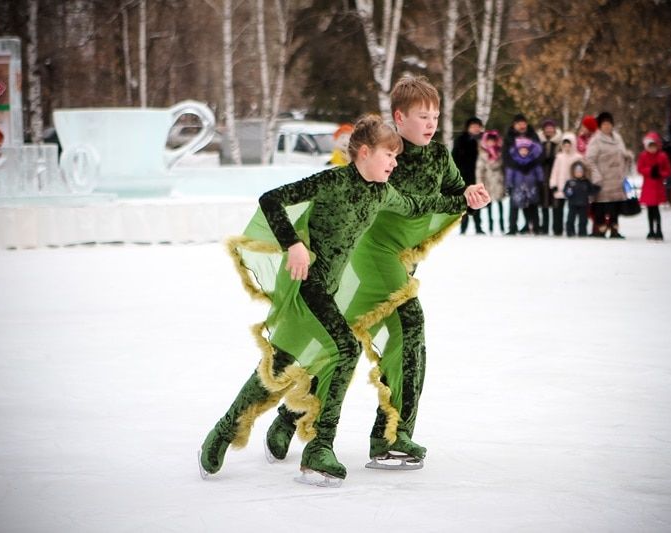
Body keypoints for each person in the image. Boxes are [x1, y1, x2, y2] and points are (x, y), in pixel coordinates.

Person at [198, 114, 489, 485]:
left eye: (397, 158)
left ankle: (226, 429)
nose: (395, 163)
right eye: (389, 156)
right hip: (306, 286)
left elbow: (419, 205)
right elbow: (271, 200)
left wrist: (463, 197)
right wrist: (295, 245)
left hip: (329, 292)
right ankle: (319, 447)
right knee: (345, 349)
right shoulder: (331, 181)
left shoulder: (382, 192)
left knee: (283, 364)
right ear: (364, 152)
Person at [264, 75, 489, 472]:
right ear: (399, 118)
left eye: (436, 115)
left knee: (341, 341)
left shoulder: (439, 156)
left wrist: (471, 197)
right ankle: (390, 438)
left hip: (401, 260)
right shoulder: (385, 154)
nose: (432, 122)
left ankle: (289, 416)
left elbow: (453, 194)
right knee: (411, 323)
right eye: (423, 115)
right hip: (370, 253)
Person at [585, 111, 632, 238]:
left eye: (609, 124)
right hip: (603, 179)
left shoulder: (617, 138)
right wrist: (596, 175)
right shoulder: (596, 140)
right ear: (600, 126)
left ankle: (614, 229)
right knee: (601, 205)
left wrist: (627, 157)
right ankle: (600, 229)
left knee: (615, 206)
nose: (607, 126)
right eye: (604, 124)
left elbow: (622, 154)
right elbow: (589, 159)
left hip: (617, 179)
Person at [503, 113, 541, 234]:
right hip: (516, 174)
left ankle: (533, 226)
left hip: (530, 174)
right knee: (514, 204)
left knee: (531, 204)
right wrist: (517, 166)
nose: (522, 125)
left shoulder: (532, 135)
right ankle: (512, 228)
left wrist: (530, 165)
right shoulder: (509, 136)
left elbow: (539, 153)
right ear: (514, 125)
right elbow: (506, 156)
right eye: (519, 123)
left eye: (524, 122)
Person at [637, 132, 671, 240]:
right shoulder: (643, 156)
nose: (652, 149)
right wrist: (650, 171)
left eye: (654, 146)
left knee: (656, 210)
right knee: (650, 210)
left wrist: (660, 174)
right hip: (648, 187)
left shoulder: (662, 156)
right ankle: (651, 230)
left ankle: (659, 230)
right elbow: (640, 168)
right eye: (650, 146)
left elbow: (668, 170)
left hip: (657, 187)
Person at [453, 116, 484, 234]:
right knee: (465, 202)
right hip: (465, 176)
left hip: (480, 176)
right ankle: (463, 227)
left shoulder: (484, 140)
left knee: (478, 201)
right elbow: (455, 158)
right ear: (468, 128)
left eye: (478, 126)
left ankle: (478, 227)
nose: (476, 129)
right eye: (473, 126)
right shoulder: (461, 140)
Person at [549, 132, 582, 236]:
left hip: (574, 188)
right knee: (558, 210)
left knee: (572, 211)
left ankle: (570, 229)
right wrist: (553, 184)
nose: (567, 147)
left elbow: (582, 172)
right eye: (565, 145)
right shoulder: (559, 157)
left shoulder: (578, 157)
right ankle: (557, 229)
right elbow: (555, 171)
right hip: (560, 187)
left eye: (569, 145)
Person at [476, 130, 505, 233]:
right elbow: (479, 171)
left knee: (500, 203)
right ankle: (490, 226)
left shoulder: (500, 153)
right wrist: (480, 184)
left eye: (493, 141)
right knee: (489, 204)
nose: (491, 143)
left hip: (498, 181)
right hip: (487, 182)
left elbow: (504, 168)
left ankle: (502, 225)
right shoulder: (483, 155)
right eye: (489, 141)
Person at [536, 119, 562, 234]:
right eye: (547, 128)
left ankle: (557, 228)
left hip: (557, 174)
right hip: (542, 175)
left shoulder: (559, 142)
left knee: (556, 202)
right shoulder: (538, 142)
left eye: (551, 128)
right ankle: (545, 228)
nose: (549, 130)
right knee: (544, 202)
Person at [563, 161, 599, 237]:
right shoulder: (570, 182)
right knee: (570, 219)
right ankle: (570, 232)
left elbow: (591, 191)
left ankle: (582, 232)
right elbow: (566, 191)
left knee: (583, 220)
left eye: (580, 172)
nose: (578, 173)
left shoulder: (586, 182)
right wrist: (568, 192)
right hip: (572, 204)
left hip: (584, 204)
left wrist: (596, 189)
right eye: (576, 172)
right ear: (573, 172)